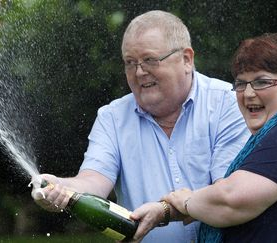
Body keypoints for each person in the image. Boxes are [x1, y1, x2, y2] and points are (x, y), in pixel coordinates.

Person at [31, 10, 250, 243]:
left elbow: (228, 195)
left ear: (187, 59)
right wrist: (60, 188)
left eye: (149, 60)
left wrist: (165, 211)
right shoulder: (112, 118)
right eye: (130, 63)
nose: (139, 72)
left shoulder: (229, 103)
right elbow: (93, 182)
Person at [132, 33, 277, 242]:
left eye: (262, 82)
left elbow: (230, 201)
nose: (248, 93)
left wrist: (185, 201)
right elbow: (228, 200)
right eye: (241, 83)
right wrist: (164, 212)